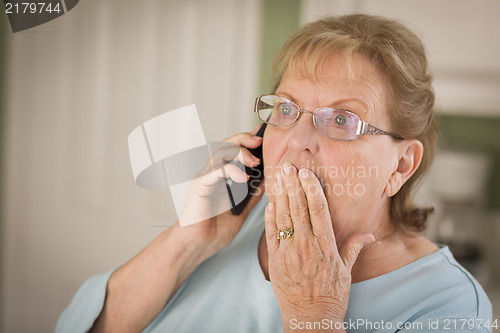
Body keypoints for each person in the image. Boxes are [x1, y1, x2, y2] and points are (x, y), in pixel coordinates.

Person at [56, 14, 493, 333]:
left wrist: (313, 317)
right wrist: (185, 242)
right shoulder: (233, 224)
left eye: (341, 120)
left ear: (400, 165)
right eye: (286, 109)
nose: (296, 139)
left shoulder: (447, 305)